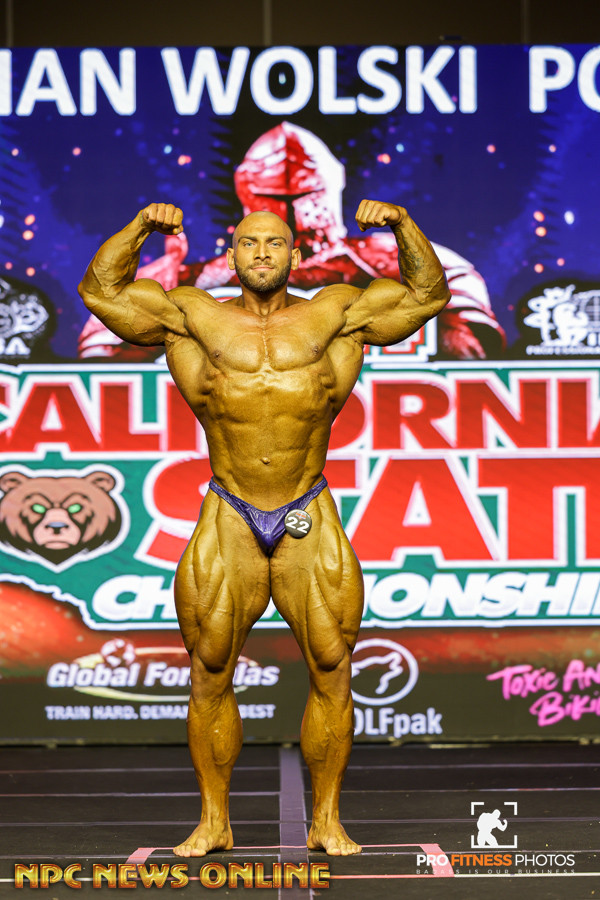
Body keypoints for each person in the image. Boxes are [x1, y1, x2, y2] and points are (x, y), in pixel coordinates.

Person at [78, 199, 451, 857]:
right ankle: (213, 821)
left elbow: (428, 295)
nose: (261, 253)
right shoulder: (191, 314)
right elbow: (100, 291)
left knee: (333, 665)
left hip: (308, 507)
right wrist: (138, 226)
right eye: (249, 243)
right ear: (231, 254)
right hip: (230, 510)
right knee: (209, 667)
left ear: (294, 254)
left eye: (274, 243)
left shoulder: (337, 311)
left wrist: (401, 224)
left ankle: (326, 820)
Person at [78, 123, 504, 362]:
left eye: (305, 196)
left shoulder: (383, 270)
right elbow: (102, 352)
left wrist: (404, 227)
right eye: (252, 242)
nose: (293, 211)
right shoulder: (191, 286)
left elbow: (463, 342)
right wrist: (147, 242)